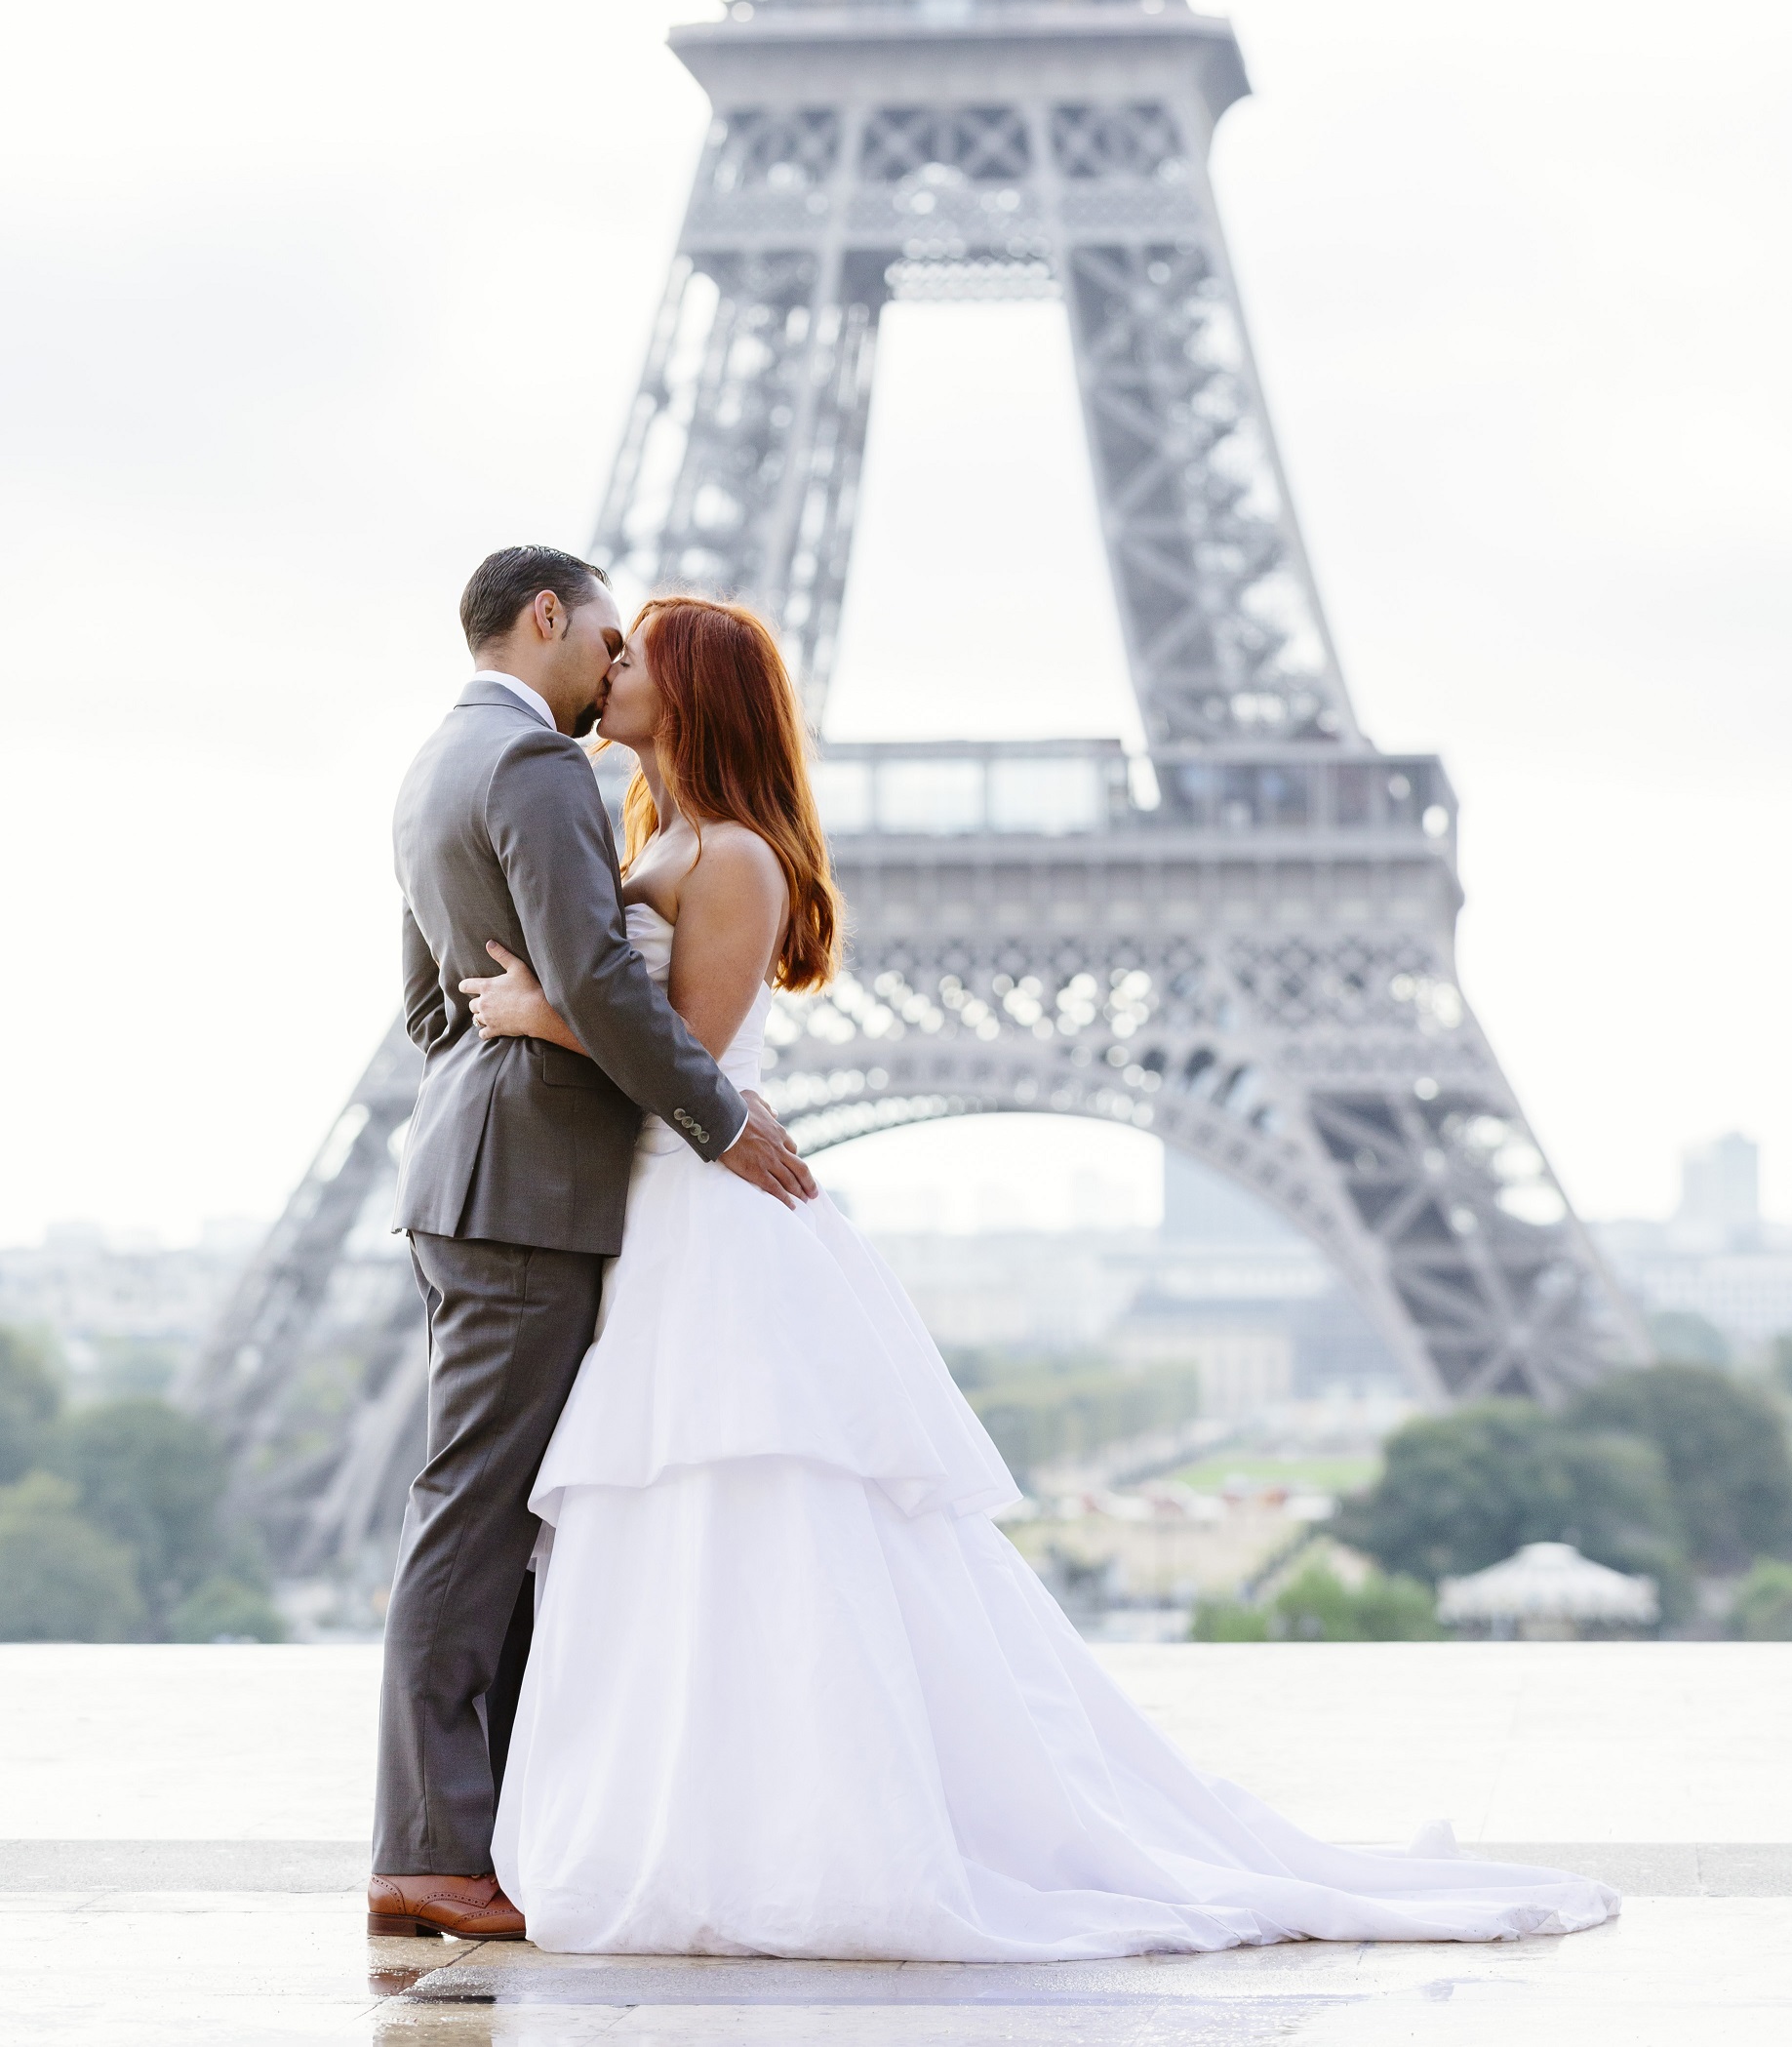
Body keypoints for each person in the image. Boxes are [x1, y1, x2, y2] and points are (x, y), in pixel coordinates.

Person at [464, 591, 1620, 1958]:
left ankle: (772, 1836)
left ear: (699, 690)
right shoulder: (651, 830)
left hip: (712, 1221)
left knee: (739, 1516)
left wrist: (545, 1011)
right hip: (675, 1229)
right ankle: (720, 1826)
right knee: (696, 1521)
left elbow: (690, 1070)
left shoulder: (730, 859)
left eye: (638, 653)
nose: (613, 664)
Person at [367, 548, 814, 1945]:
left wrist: (499, 1070)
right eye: (608, 639)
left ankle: (473, 1830)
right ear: (549, 619)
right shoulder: (548, 773)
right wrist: (715, 1112)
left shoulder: (435, 764)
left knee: (497, 1510)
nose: (614, 667)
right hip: (531, 1188)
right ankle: (431, 1846)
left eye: (636, 656)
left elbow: (438, 1005)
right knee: (482, 1512)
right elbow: (600, 981)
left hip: (485, 1170)